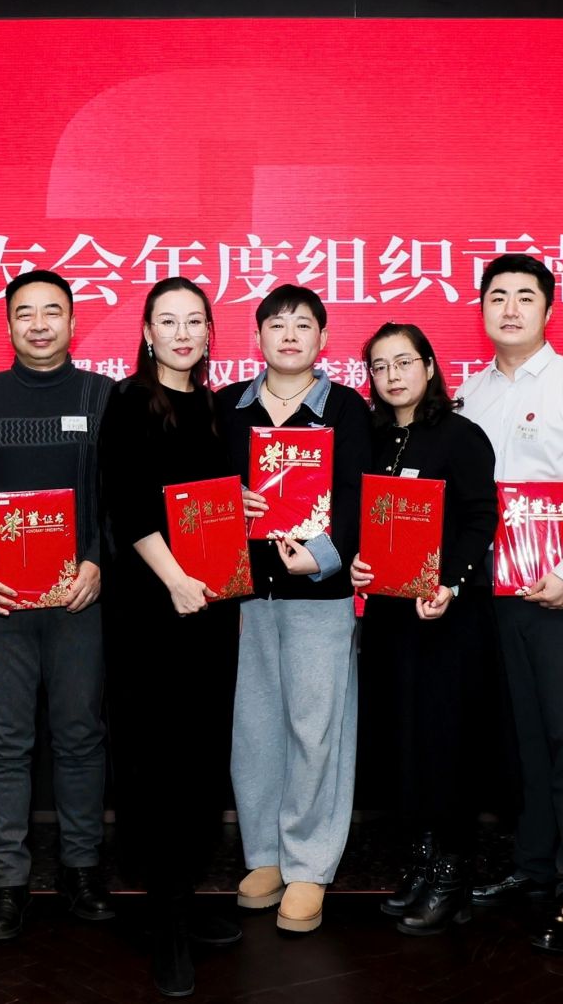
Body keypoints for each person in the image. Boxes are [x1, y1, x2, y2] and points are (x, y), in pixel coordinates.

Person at [0, 269, 114, 942]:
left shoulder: (101, 395)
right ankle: (7, 883)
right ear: (8, 323)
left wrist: (96, 561)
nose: (39, 324)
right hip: (0, 603)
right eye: (24, 313)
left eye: (52, 311)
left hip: (78, 600)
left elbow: (114, 494)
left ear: (72, 321)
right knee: (4, 743)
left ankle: (81, 870)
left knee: (80, 737)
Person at [454, 254, 563, 954]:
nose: (511, 308)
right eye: (498, 296)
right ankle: (533, 865)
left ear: (549, 310)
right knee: (522, 737)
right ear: (483, 310)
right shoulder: (469, 393)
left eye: (526, 296)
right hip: (498, 591)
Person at [97, 276, 245, 997]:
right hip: (153, 611)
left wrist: (244, 503)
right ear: (147, 333)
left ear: (210, 331)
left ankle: (182, 896)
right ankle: (166, 920)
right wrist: (175, 580)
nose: (183, 333)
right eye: (168, 321)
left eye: (195, 321)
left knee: (200, 756)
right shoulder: (129, 401)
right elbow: (128, 505)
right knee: (155, 758)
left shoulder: (216, 408)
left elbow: (208, 504)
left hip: (212, 610)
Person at [216, 283, 371, 933]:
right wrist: (231, 504)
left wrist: (325, 556)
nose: (289, 335)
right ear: (256, 337)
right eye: (276, 324)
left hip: (320, 596)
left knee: (315, 731)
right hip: (247, 595)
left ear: (323, 339)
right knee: (254, 731)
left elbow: (362, 497)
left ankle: (309, 864)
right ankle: (266, 854)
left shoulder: (349, 409)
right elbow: (199, 495)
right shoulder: (225, 408)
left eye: (302, 324)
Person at [349, 323, 498, 938]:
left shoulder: (461, 436)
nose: (392, 376)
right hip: (390, 617)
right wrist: (356, 562)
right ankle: (422, 862)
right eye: (380, 366)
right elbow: (357, 518)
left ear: (430, 367)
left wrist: (450, 583)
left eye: (404, 362)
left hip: (446, 617)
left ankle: (451, 874)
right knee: (403, 743)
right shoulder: (372, 438)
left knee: (445, 745)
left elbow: (481, 518)